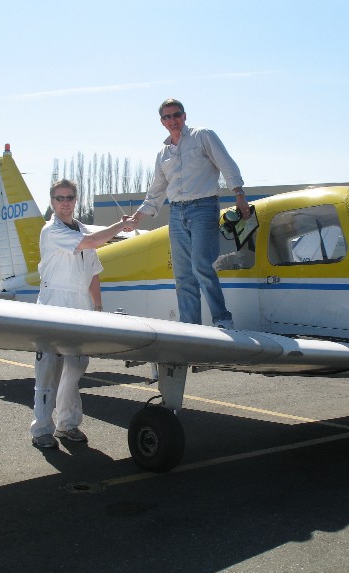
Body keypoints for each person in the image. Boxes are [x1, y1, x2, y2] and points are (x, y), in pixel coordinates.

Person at [31, 179, 136, 449]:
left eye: (70, 197)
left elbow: (93, 274)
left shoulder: (82, 229)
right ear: (52, 202)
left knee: (75, 369)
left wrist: (98, 309)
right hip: (54, 303)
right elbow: (89, 242)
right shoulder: (50, 231)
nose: (65, 202)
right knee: (49, 372)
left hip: (81, 308)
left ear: (76, 200)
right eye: (59, 198)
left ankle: (68, 424)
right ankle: (42, 428)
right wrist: (120, 226)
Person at [129, 98, 251, 329]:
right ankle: (190, 328)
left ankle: (222, 319)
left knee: (201, 265)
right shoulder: (162, 153)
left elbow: (227, 165)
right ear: (162, 122)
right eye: (167, 117)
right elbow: (156, 191)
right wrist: (137, 217)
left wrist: (239, 194)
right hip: (176, 212)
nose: (172, 120)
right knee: (183, 274)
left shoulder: (203, 136)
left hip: (203, 207)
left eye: (176, 115)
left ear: (184, 116)